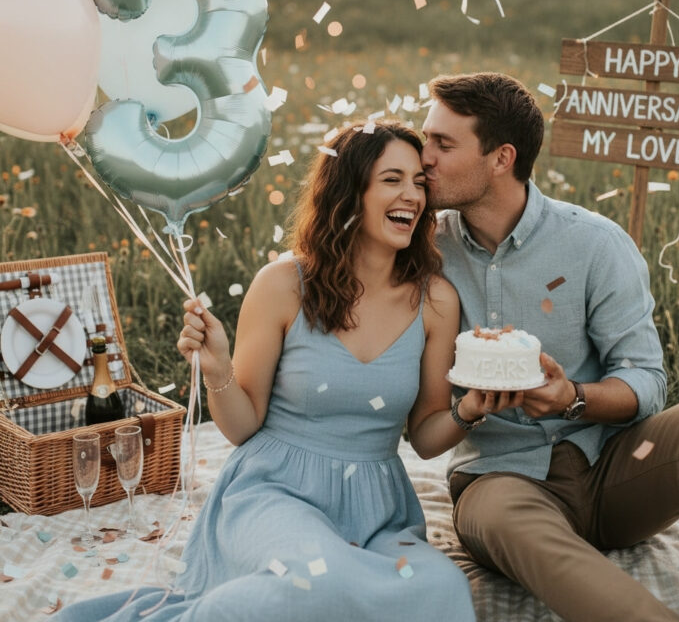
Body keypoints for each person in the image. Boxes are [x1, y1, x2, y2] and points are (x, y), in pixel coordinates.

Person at [57, 121, 491, 622]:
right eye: (392, 179)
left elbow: (426, 435)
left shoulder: (436, 300)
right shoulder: (284, 284)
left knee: (443, 588)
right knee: (311, 578)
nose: (411, 195)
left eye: (419, 182)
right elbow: (243, 426)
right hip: (275, 491)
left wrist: (469, 409)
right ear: (351, 191)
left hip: (377, 509)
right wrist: (218, 367)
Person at [420, 71, 679, 622]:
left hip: (611, 471)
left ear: (501, 158)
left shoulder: (594, 244)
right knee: (508, 516)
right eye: (424, 140)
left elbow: (647, 382)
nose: (424, 158)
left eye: (442, 143)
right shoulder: (424, 251)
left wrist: (571, 397)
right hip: (500, 481)